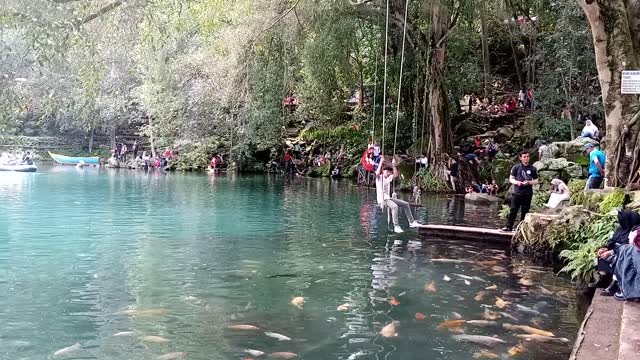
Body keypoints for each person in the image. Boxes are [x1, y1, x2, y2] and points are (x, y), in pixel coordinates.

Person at [596, 210, 640, 296]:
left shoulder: (633, 231)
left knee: (618, 260)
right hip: (616, 250)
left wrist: (611, 252)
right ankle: (603, 281)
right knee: (601, 256)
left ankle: (616, 285)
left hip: (623, 253)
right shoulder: (620, 229)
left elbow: (628, 246)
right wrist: (605, 248)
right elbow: (612, 240)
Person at [375, 156, 421, 234]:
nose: (389, 173)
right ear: (383, 171)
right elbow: (377, 173)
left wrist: (394, 165)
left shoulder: (388, 178)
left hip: (388, 198)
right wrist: (381, 162)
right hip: (382, 200)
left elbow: (396, 175)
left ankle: (411, 222)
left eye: (390, 172)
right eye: (387, 172)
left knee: (406, 204)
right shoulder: (380, 178)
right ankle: (396, 226)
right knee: (395, 207)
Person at [501, 151, 539, 231]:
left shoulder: (533, 168)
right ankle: (508, 226)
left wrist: (529, 182)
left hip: (527, 193)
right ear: (520, 158)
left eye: (528, 156)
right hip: (517, 192)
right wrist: (517, 182)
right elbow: (511, 179)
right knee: (513, 210)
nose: (526, 158)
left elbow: (536, 181)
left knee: (525, 211)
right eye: (524, 157)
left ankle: (521, 228)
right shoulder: (516, 167)